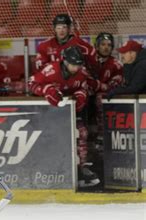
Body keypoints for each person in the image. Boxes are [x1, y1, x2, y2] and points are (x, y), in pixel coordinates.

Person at [29, 46, 100, 188]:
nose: (76, 68)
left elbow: (87, 86)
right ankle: (53, 169)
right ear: (65, 62)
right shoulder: (51, 70)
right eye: (73, 65)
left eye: (78, 65)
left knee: (82, 133)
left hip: (71, 111)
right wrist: (46, 90)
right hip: (49, 113)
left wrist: (82, 94)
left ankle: (82, 169)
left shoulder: (81, 73)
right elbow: (31, 83)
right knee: (53, 138)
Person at [89, 33, 123, 149]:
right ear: (97, 46)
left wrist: (97, 86)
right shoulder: (89, 61)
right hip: (88, 94)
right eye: (103, 44)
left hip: (105, 97)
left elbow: (112, 86)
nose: (106, 47)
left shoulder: (116, 64)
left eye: (109, 45)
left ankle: (102, 134)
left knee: (101, 98)